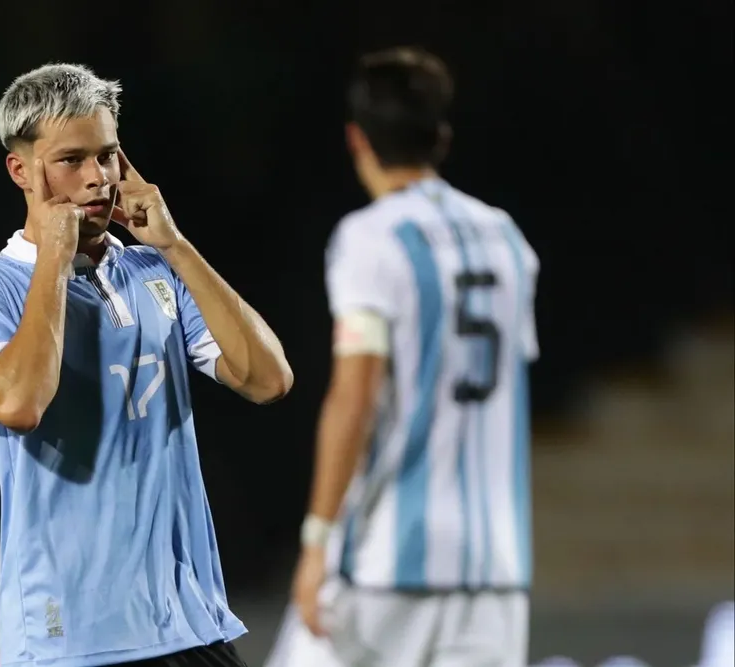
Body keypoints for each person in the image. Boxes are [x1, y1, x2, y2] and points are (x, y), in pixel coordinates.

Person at [0, 63, 293, 667]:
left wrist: (174, 245)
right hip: (73, 638)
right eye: (71, 159)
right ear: (21, 171)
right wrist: (54, 257)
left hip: (192, 623)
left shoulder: (155, 273)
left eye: (108, 156)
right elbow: (20, 404)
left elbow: (269, 378)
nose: (97, 178)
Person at [264, 47, 540, 667]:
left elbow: (354, 397)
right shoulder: (508, 240)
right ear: (441, 136)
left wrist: (316, 541)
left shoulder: (372, 237)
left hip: (388, 558)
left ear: (356, 138)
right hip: (494, 570)